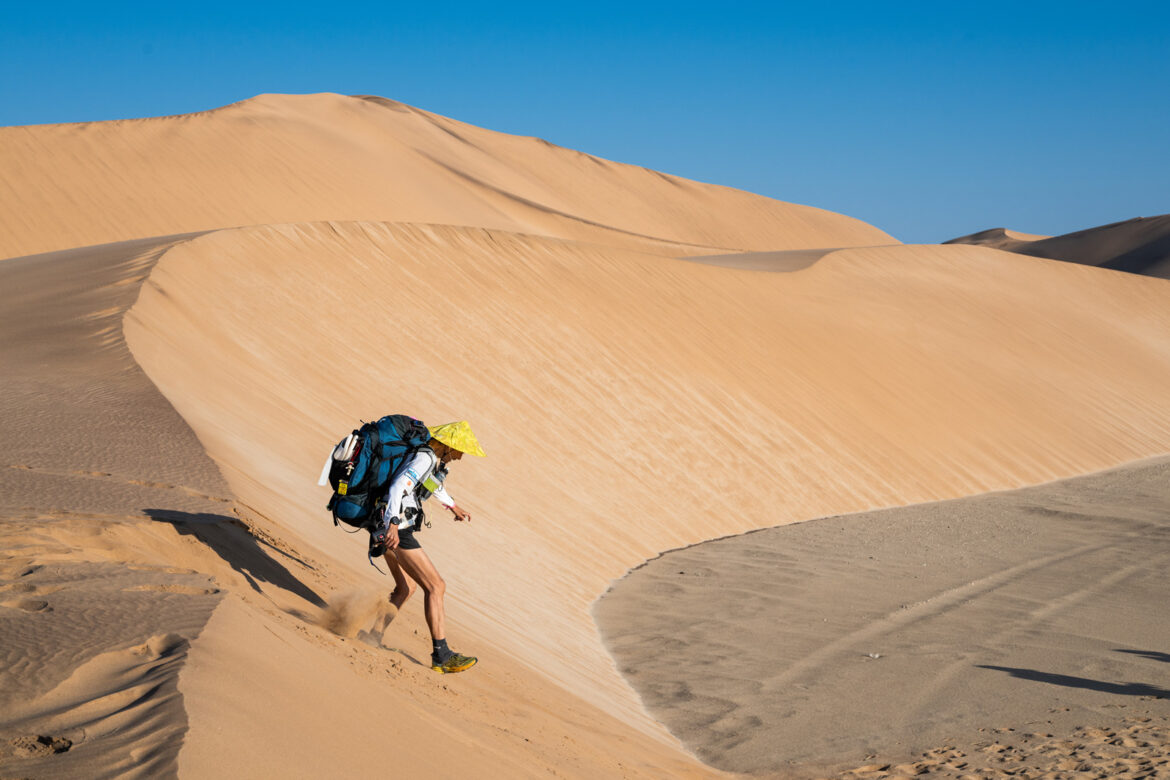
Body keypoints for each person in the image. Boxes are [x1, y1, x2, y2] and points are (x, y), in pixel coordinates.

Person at [369, 420, 485, 674]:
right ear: (448, 446)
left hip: (385, 525)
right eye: (460, 450)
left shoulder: (425, 457)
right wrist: (393, 524)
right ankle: (441, 654)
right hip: (396, 529)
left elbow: (431, 484)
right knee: (436, 586)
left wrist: (453, 506)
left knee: (407, 587)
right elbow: (398, 487)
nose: (460, 457)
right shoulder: (425, 458)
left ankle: (373, 636)